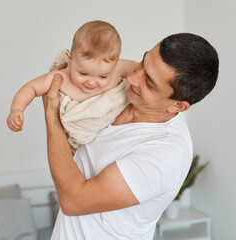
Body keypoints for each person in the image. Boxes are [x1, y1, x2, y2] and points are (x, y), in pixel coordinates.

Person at [44, 33, 219, 240]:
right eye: (143, 63)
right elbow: (78, 150)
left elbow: (73, 201)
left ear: (177, 105)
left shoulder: (165, 154)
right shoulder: (125, 95)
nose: (132, 78)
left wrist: (51, 113)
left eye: (150, 82)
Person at [7, 20, 137, 148]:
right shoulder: (61, 78)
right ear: (70, 58)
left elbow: (142, 71)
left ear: (115, 64)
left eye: (103, 76)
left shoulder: (119, 69)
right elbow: (32, 87)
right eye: (83, 74)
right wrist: (17, 109)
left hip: (114, 136)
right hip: (77, 143)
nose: (91, 82)